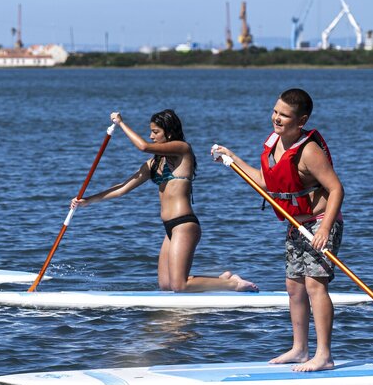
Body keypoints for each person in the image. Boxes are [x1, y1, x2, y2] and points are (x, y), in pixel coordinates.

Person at [212, 88, 344, 372]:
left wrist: (325, 229)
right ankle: (299, 349)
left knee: (314, 285)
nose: (277, 118)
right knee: (293, 286)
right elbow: (264, 180)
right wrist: (231, 159)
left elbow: (336, 189)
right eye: (275, 111)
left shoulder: (309, 151)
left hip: (320, 222)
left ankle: (324, 355)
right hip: (297, 224)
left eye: (284, 115)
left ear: (301, 120)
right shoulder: (274, 143)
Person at [71, 110, 258, 293]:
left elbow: (143, 146)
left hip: (184, 224)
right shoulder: (153, 164)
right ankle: (219, 281)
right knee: (166, 285)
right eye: (150, 131)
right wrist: (88, 200)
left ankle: (234, 284)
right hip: (169, 228)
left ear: (168, 133)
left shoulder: (183, 149)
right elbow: (122, 188)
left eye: (155, 132)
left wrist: (121, 123)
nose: (151, 136)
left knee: (179, 285)